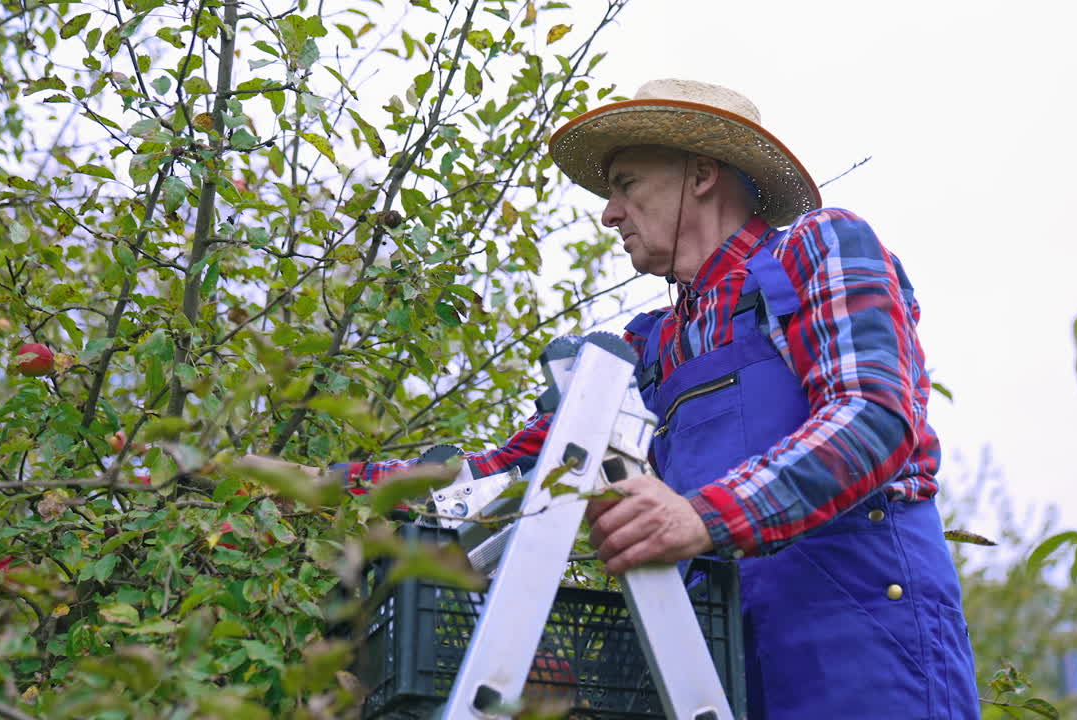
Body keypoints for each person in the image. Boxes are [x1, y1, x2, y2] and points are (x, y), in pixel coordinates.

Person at [327, 79, 981, 719]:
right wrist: (326, 488)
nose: (609, 212)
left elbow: (871, 419)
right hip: (716, 662)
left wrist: (702, 516)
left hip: (865, 644)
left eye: (626, 184)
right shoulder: (651, 346)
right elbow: (518, 471)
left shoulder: (819, 247)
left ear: (701, 174)